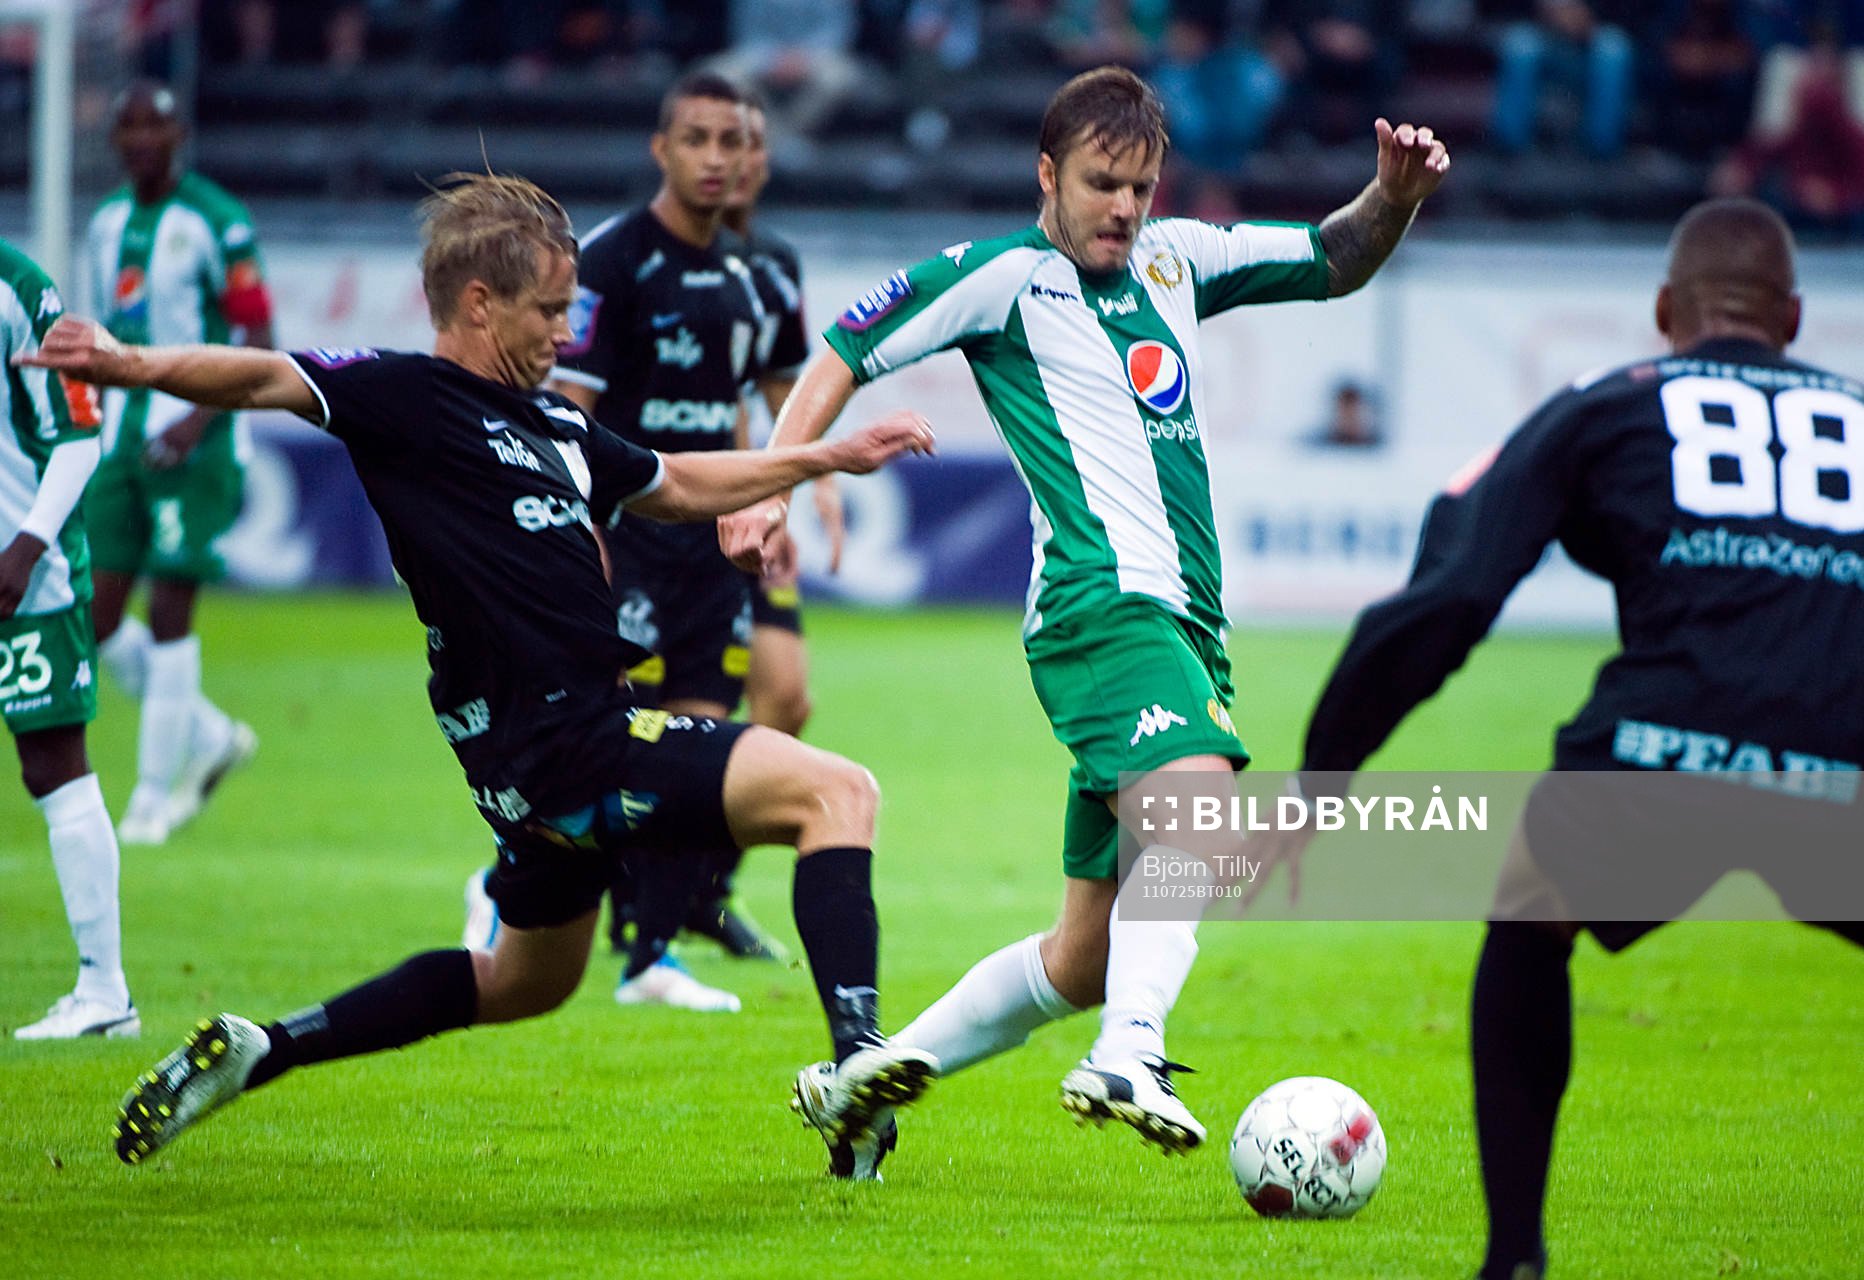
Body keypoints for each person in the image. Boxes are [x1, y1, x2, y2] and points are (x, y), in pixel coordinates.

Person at [23, 172, 938, 1172]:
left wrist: (823, 455)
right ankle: (857, 1063)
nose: (566, 333)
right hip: (571, 739)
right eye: (550, 310)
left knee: (523, 981)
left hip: (529, 763)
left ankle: (264, 1048)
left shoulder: (553, 426)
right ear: (479, 303)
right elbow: (257, 378)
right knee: (838, 793)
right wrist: (125, 361)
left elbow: (676, 481)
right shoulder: (406, 398)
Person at [719, 66, 1448, 1171]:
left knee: (1084, 955)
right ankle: (1130, 1051)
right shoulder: (1002, 278)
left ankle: (861, 1084)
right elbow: (846, 349)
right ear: (1047, 174)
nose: (1123, 208)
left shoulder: (1176, 259)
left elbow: (1329, 258)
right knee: (1200, 813)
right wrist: (773, 485)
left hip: (1186, 627)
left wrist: (1390, 197)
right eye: (1102, 184)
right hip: (1099, 607)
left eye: (1141, 188)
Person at [1254, 198, 1863, 1280]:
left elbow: (1452, 596)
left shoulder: (1607, 406)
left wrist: (1323, 774)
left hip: (1666, 739)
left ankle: (1515, 1259)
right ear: (1795, 318)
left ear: (1665, 310)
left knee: (1532, 911)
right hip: (1846, 748)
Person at [462, 72, 791, 1008]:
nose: (717, 158)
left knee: (701, 745)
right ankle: (505, 885)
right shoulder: (612, 261)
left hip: (709, 549)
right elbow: (569, 414)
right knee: (608, 750)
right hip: (628, 539)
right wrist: (581, 537)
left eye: (732, 140)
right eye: (698, 139)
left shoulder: (747, 276)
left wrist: (763, 507)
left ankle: (650, 958)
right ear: (662, 149)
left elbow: (737, 410)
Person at [82, 81, 266, 846]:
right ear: (115, 141)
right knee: (92, 617)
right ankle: (211, 735)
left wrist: (197, 418)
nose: (141, 140)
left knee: (168, 614)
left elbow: (257, 336)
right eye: (128, 128)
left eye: (153, 127)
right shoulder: (104, 224)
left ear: (178, 135)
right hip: (119, 440)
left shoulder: (217, 223)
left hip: (197, 443)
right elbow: (103, 334)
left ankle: (152, 799)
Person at [2, 239, 138, 1041]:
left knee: (51, 762)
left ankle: (104, 991)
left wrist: (26, 548)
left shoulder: (18, 287)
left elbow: (79, 434)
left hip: (26, 577)